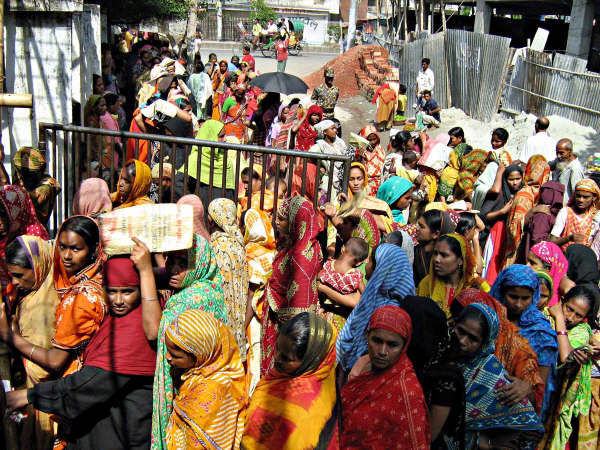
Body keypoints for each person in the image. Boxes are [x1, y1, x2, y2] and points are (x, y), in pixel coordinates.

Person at [3, 256, 156, 449]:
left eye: (127, 291)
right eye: (111, 291)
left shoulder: (136, 328)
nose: (118, 301)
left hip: (123, 435)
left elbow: (91, 384)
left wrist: (29, 396)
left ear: (141, 289)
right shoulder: (115, 319)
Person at [151, 234, 227, 449]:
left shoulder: (189, 299)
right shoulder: (213, 288)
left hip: (190, 389)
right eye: (170, 260)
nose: (173, 269)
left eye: (183, 264)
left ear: (199, 263)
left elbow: (154, 333)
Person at [452, 303, 544, 449]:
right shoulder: (441, 354)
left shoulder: (492, 375)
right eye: (460, 331)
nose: (462, 341)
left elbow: (529, 430)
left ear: (485, 342)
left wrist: (487, 443)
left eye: (473, 338)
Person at [242, 312, 338, 449]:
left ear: (310, 360)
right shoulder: (279, 378)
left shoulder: (310, 407)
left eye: (286, 358)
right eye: (277, 349)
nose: (277, 358)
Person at [342, 305, 431, 449]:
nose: (382, 351)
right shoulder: (363, 363)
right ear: (367, 335)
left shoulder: (407, 392)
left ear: (404, 346)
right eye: (377, 341)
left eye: (392, 345)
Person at [4, 236, 59, 449]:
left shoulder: (45, 304)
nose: (15, 282)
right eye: (12, 276)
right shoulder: (32, 294)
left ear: (38, 266)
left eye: (19, 275)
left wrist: (9, 336)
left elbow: (44, 368)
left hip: (46, 401)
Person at [163, 309, 246, 449]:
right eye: (168, 351)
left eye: (175, 356)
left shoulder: (215, 387)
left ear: (201, 354)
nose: (167, 358)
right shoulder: (195, 374)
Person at [452, 289, 545, 413]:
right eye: (458, 328)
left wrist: (527, 390)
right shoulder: (449, 340)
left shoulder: (519, 351)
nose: (462, 340)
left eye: (473, 337)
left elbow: (536, 399)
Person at [260, 197, 322, 375]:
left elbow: (298, 306)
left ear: (296, 221)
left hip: (286, 330)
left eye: (282, 219)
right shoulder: (299, 243)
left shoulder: (301, 254)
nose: (276, 222)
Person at [490, 264, 558, 419]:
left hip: (520, 409)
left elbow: (541, 383)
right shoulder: (489, 318)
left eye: (525, 298)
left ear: (534, 296)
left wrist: (528, 388)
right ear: (502, 291)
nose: (519, 304)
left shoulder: (542, 332)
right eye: (513, 296)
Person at [337, 243, 415, 372]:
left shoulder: (388, 310)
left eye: (369, 262)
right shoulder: (376, 297)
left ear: (381, 267)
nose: (366, 266)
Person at [541, 285, 597, 449]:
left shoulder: (581, 331)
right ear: (562, 301)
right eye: (569, 309)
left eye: (578, 315)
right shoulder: (544, 315)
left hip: (557, 398)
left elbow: (566, 356)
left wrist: (559, 318)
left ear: (585, 318)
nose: (571, 317)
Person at [207, 198, 249, 358]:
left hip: (219, 316)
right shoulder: (239, 245)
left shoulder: (215, 246)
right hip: (238, 318)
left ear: (212, 219)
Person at [418, 233, 489, 318]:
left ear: (460, 260)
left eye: (444, 255)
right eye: (435, 253)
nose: (436, 259)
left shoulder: (477, 287)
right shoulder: (427, 284)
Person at [502, 155, 551, 268]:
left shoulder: (537, 195)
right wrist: (533, 211)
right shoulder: (524, 195)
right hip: (516, 254)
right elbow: (513, 227)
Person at [175, 120, 236, 203]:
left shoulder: (226, 160)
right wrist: (192, 203)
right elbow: (178, 184)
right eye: (221, 136)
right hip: (201, 210)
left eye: (225, 135)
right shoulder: (196, 159)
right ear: (210, 138)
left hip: (220, 211)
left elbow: (230, 192)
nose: (225, 139)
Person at [318, 237, 368, 329]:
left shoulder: (328, 264)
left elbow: (319, 278)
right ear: (358, 263)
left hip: (324, 308)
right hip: (342, 314)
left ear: (343, 249)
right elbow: (365, 294)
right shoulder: (355, 275)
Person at [11, 147, 61, 228]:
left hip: (34, 230)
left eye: (30, 174)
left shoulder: (45, 187)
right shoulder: (22, 177)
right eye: (20, 172)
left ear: (40, 171)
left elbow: (19, 200)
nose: (24, 176)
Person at [550, 178, 600, 250]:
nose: (581, 200)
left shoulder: (596, 216)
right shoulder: (565, 212)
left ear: (594, 197)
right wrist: (569, 238)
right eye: (578, 196)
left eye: (585, 197)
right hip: (565, 256)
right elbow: (552, 241)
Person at [413, 209, 456, 286]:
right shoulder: (414, 252)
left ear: (435, 234)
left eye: (421, 227)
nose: (416, 228)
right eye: (418, 224)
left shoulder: (449, 259)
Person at [526, 241, 568, 307]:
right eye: (527, 261)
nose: (526, 266)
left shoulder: (553, 308)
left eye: (532, 263)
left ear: (548, 269)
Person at [438, 127, 470, 201]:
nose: (449, 141)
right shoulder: (453, 149)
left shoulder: (465, 151)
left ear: (459, 138)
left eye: (451, 139)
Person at [356, 125, 386, 196]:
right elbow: (359, 170)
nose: (372, 142)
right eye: (369, 140)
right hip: (366, 185)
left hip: (380, 183)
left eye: (374, 139)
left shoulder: (379, 149)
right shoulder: (359, 151)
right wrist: (361, 157)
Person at [553, 138, 585, 205]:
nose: (558, 156)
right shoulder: (561, 161)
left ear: (570, 152)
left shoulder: (575, 168)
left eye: (561, 153)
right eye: (557, 152)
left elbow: (576, 193)